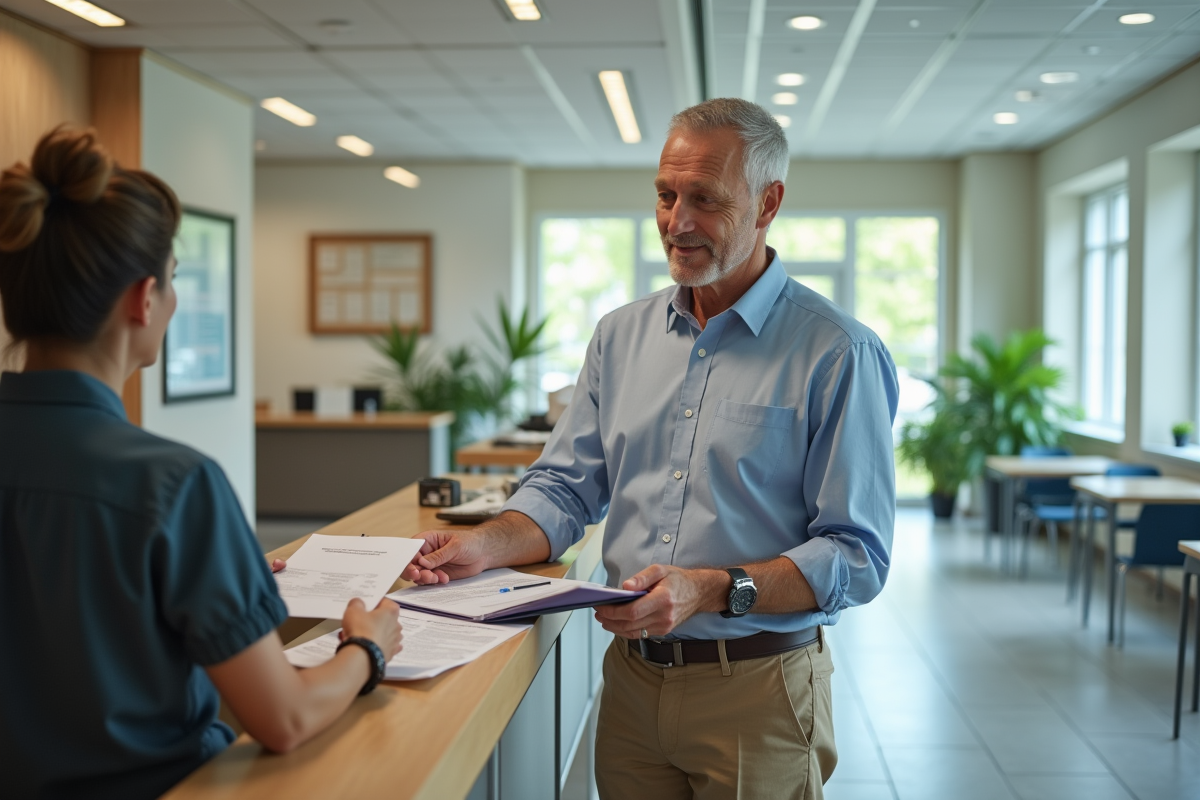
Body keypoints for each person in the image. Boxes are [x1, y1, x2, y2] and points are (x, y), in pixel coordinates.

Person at [404, 98, 898, 799]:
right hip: (632, 683)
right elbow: (565, 489)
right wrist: (485, 544)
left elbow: (858, 555)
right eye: (666, 195)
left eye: (705, 199)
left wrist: (710, 588)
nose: (677, 222)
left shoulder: (838, 351)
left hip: (757, 690)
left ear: (768, 203)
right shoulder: (618, 336)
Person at [0, 127, 403, 799]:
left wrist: (216, 579)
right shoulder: (171, 484)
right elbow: (284, 718)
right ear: (143, 298)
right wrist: (367, 647)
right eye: (175, 283)